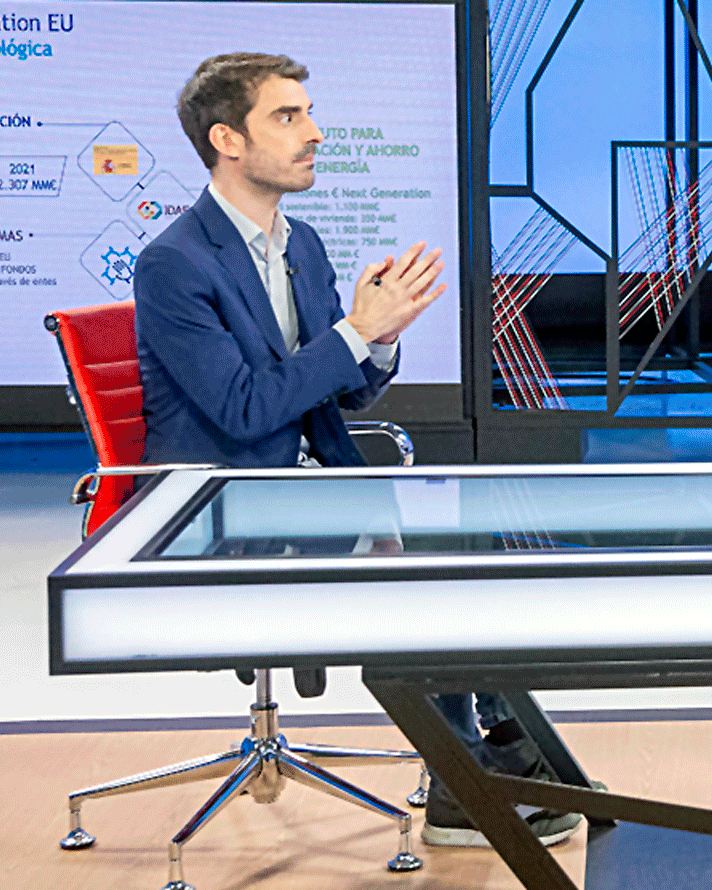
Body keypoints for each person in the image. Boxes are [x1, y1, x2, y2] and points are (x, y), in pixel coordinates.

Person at [134, 52, 580, 848]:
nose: (315, 133)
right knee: (422, 578)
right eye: (288, 117)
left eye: (308, 113)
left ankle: (505, 749)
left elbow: (342, 394)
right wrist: (352, 332)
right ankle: (464, 788)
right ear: (227, 140)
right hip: (224, 509)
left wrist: (378, 342)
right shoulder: (174, 264)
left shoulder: (300, 244)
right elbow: (244, 410)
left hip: (312, 493)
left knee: (476, 541)